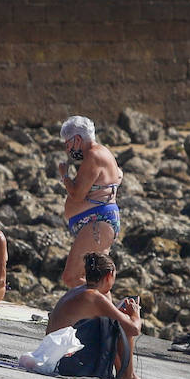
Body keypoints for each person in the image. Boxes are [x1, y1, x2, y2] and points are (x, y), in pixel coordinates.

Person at [45, 251, 142, 379]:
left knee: (117, 319)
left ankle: (127, 375)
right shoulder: (93, 297)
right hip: (67, 363)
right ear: (109, 276)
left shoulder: (81, 290)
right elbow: (134, 329)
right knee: (121, 323)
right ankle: (128, 376)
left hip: (55, 356)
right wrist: (135, 313)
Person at [56, 116, 124, 287]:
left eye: (68, 144)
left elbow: (77, 195)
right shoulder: (103, 152)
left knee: (71, 277)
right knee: (95, 279)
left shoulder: (93, 155)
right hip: (99, 222)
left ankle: (106, 311)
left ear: (77, 139)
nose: (68, 149)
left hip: (97, 223)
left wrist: (65, 176)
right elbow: (119, 174)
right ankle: (107, 312)